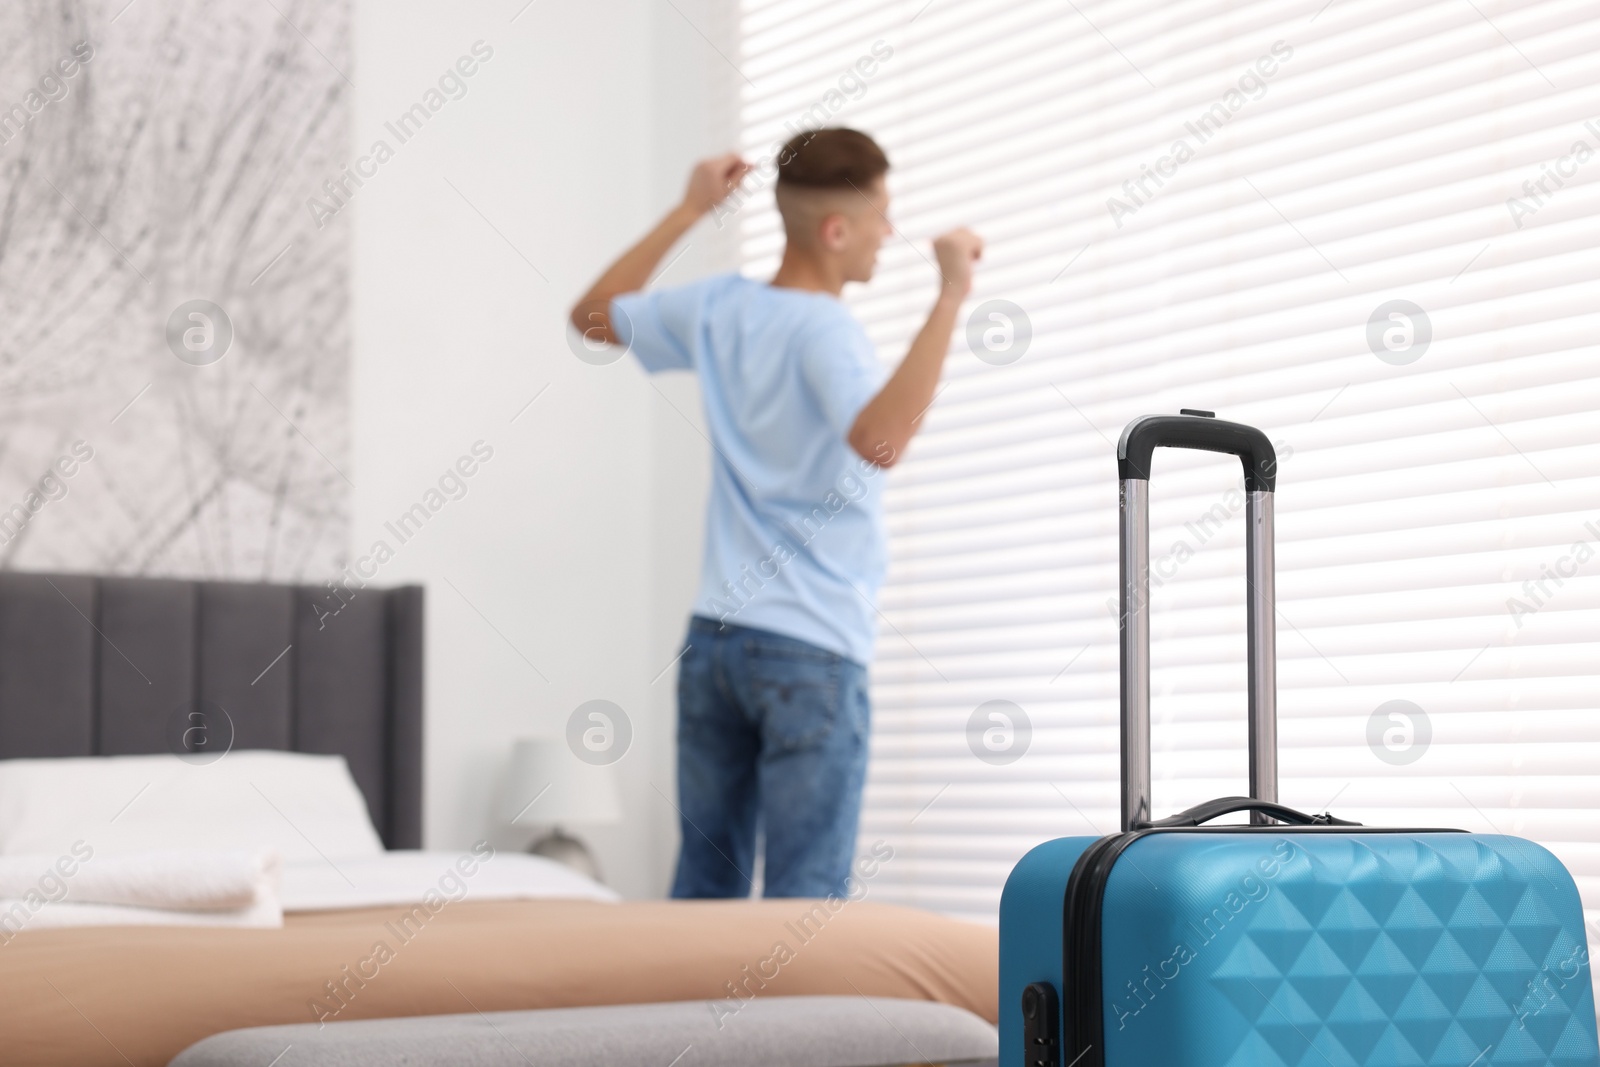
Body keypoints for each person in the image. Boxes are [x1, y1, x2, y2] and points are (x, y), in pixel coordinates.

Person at [571, 127, 982, 899]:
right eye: (880, 217)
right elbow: (881, 439)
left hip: (714, 646)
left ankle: (687, 1026)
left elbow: (593, 315)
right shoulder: (827, 332)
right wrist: (951, 294)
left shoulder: (720, 307)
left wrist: (689, 209)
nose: (888, 236)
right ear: (835, 230)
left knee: (705, 883)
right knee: (806, 899)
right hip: (809, 650)